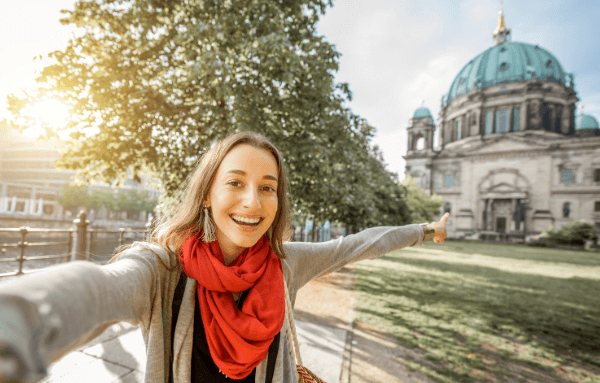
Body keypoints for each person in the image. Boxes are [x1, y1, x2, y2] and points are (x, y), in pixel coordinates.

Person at [0, 131, 449, 383]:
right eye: (235, 182)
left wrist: (426, 231)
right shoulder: (161, 269)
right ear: (208, 196)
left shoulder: (286, 262)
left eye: (267, 187)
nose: (253, 202)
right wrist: (15, 323)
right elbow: (98, 287)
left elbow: (357, 244)